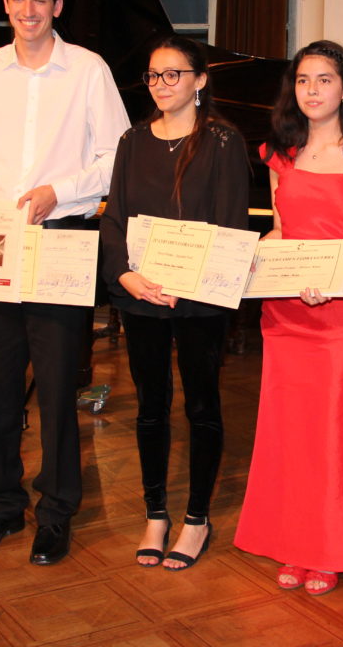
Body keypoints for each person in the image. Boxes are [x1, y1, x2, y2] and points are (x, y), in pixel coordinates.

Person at [0, 0, 130, 565]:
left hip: (62, 238)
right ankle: (0, 508)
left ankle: (56, 512)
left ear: (58, 6)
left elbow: (116, 159)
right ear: (5, 4)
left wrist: (62, 190)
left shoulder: (89, 70)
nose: (29, 10)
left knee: (54, 391)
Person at [234, 40, 343, 596]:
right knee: (290, 433)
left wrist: (336, 279)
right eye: (303, 80)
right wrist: (252, 255)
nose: (311, 90)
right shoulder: (277, 155)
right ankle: (295, 543)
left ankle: (331, 548)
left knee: (337, 432)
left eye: (323, 80)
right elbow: (284, 229)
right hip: (287, 311)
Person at [100, 35, 250, 570]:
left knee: (202, 405)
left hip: (200, 299)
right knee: (149, 406)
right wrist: (126, 276)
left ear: (199, 80)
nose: (162, 85)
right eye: (154, 76)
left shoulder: (224, 142)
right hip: (142, 296)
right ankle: (155, 513)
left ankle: (196, 518)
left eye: (173, 74)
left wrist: (193, 278)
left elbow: (232, 225)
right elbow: (113, 217)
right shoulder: (133, 140)